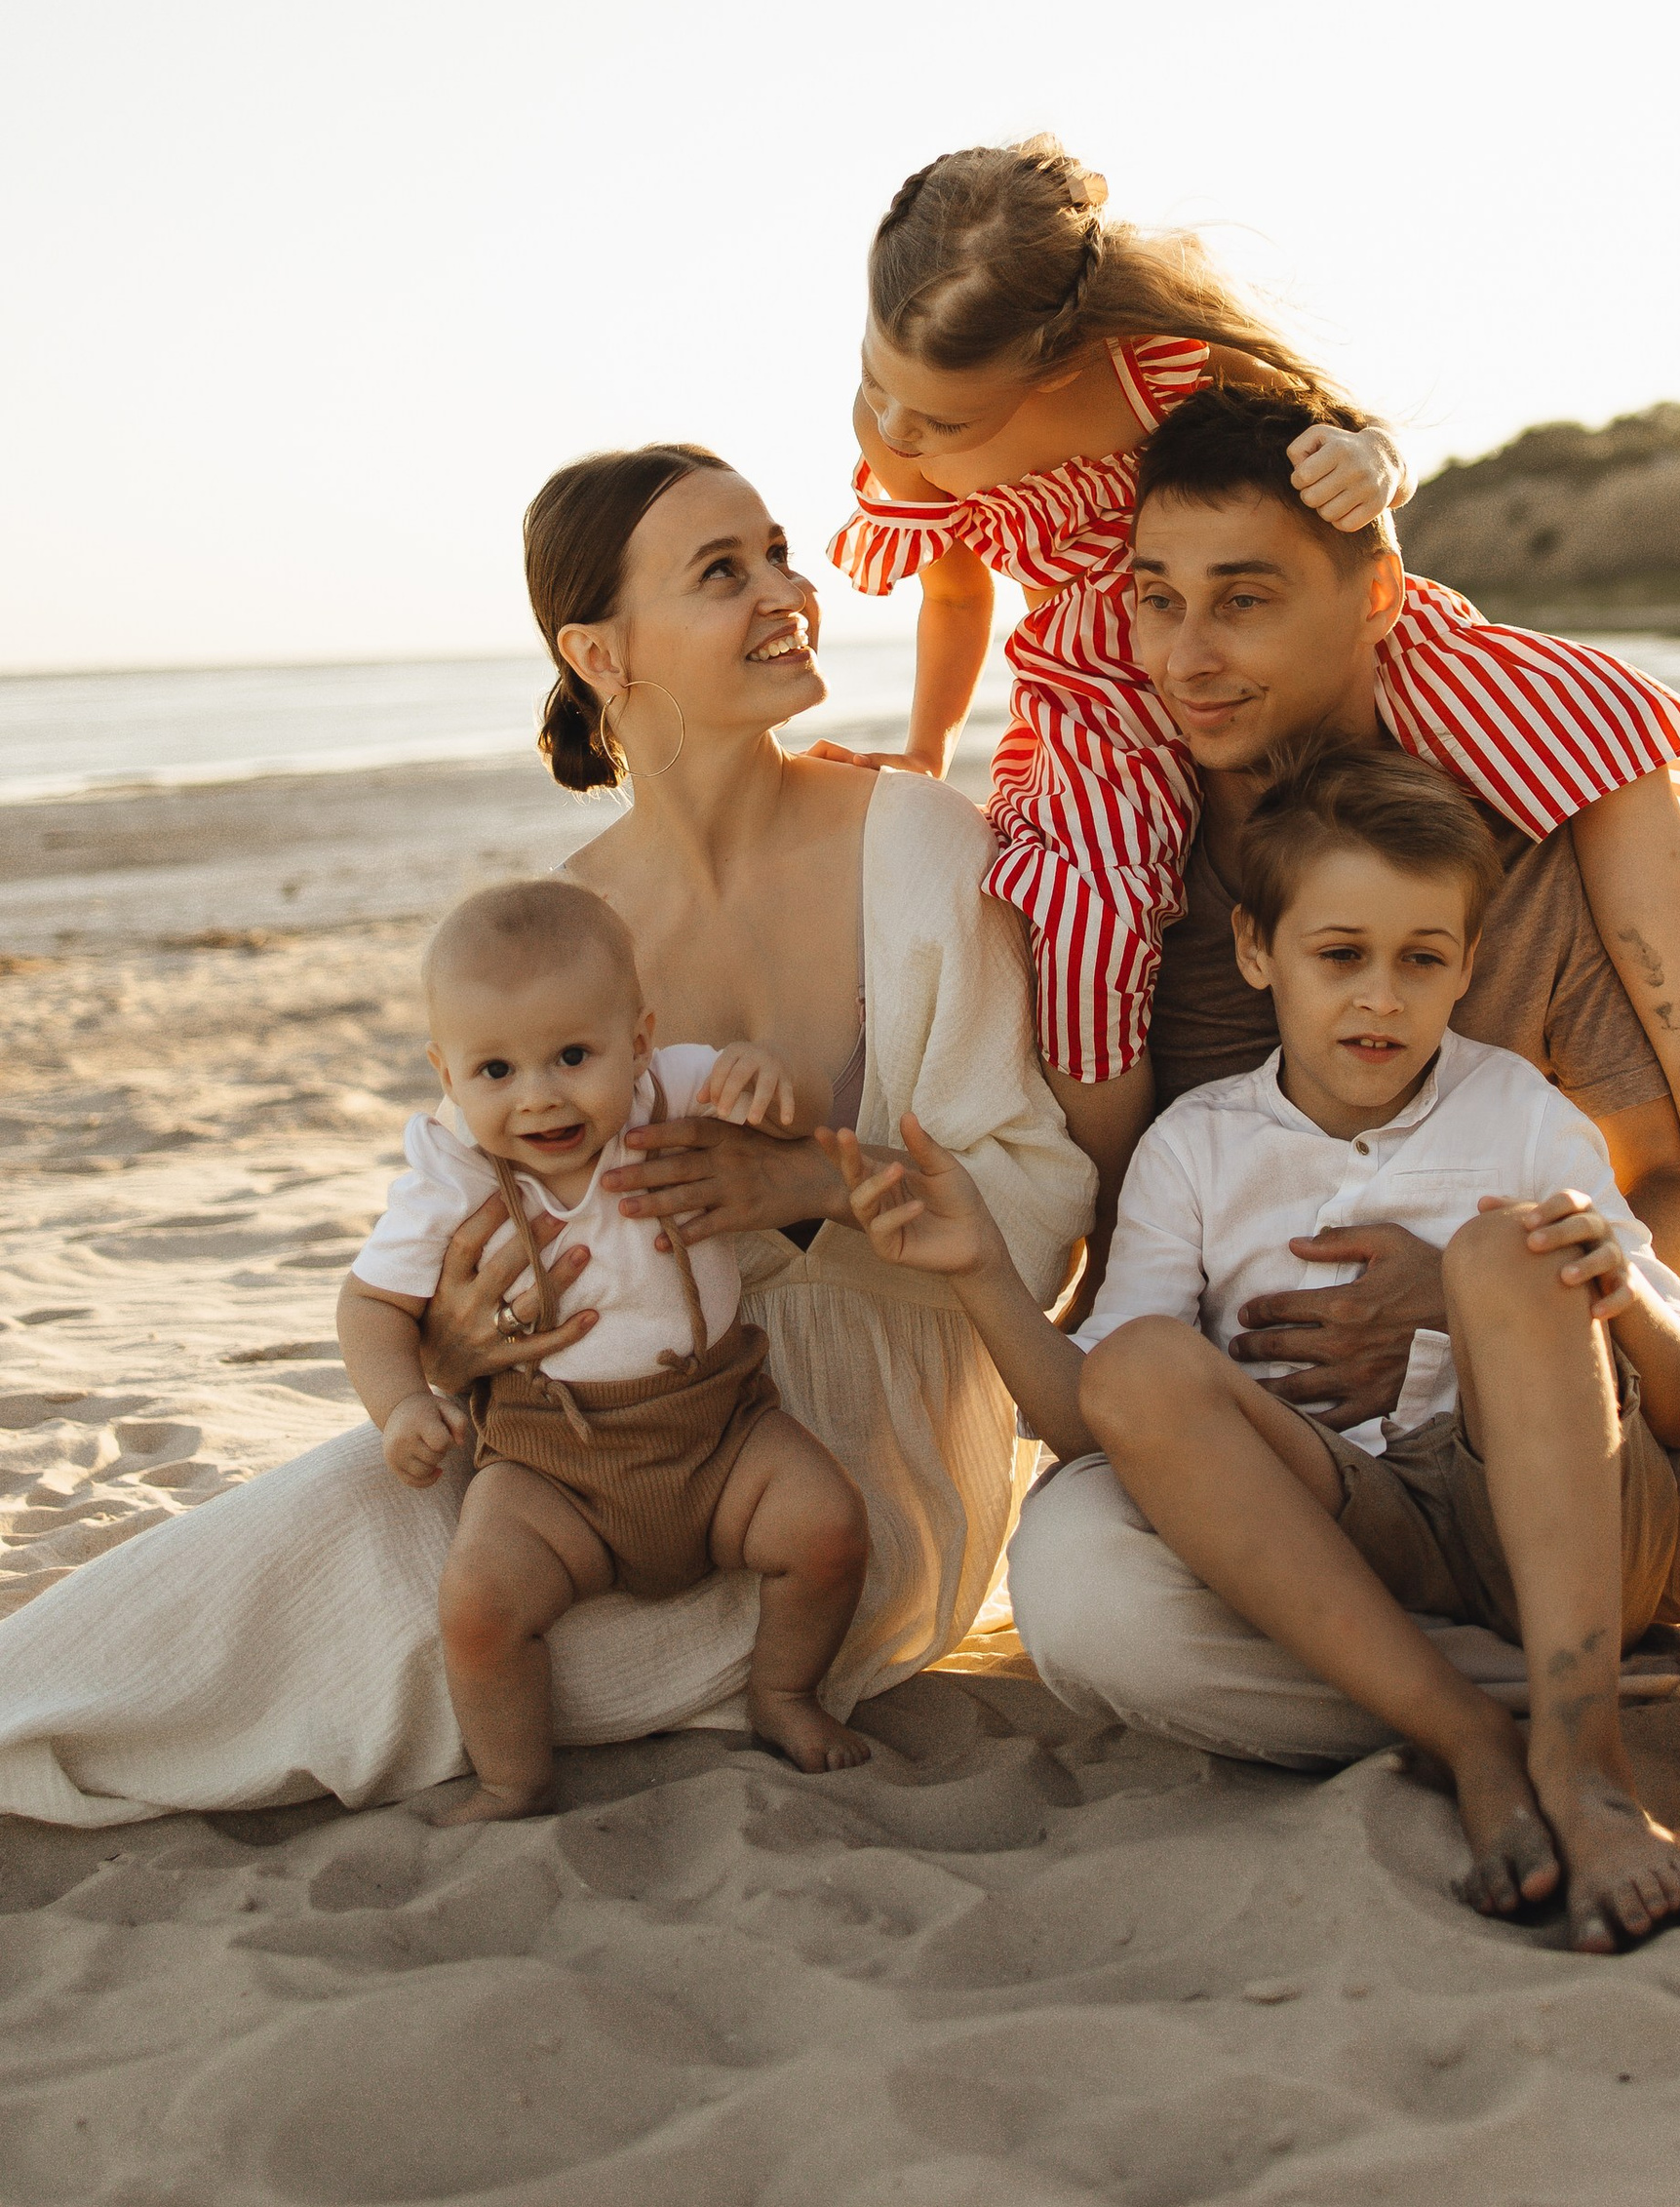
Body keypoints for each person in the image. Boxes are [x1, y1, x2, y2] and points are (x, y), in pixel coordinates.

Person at [1005, 384, 1680, 2007]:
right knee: (1080, 1595)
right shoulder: (1121, 886)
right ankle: (1595, 1690)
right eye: (1158, 604)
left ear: (1375, 601)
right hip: (1336, 1501)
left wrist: (1473, 1285)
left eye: (1244, 600)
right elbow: (1127, 1315)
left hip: (1596, 1435)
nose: (1188, 656)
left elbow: (1674, 1213)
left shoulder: (1519, 849)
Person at [0, 445, 1092, 1829]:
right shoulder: (564, 925)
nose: (788, 592)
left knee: (401, 1653)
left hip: (850, 1466)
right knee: (320, 1533)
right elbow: (473, 1234)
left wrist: (806, 1184)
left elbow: (1040, 1219)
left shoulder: (923, 843)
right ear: (600, 652)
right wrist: (456, 1343)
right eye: (723, 572)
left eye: (777, 552)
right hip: (573, 1432)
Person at [828, 135, 1680, 1224]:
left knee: (1597, 715)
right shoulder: (900, 432)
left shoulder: (1156, 365)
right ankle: (1102, 1226)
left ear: (1058, 359)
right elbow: (953, 594)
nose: (895, 429)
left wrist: (1373, 465)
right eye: (875, 377)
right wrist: (927, 746)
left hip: (1254, 615)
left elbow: (1344, 434)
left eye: (944, 419)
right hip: (1097, 687)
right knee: (1091, 920)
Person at [837, 742, 1680, 1951]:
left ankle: (1584, 1760)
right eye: (1340, 956)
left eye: (1422, 960)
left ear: (1467, 965)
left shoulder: (1519, 1112)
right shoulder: (1197, 1146)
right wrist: (982, 1273)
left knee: (1502, 1253)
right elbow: (1094, 1417)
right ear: (1259, 951)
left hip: (1554, 1513)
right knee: (1141, 1364)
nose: (1382, 998)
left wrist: (1616, 1297)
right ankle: (1467, 1736)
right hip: (1347, 1533)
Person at [341, 878, 868, 1817]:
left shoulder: (672, 1090)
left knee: (828, 1528)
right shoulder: (453, 1171)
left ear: (639, 1039)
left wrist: (773, 1078)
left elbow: (804, 1107)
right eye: (495, 1071)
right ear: (446, 1074)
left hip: (720, 1433)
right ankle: (513, 1775)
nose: (539, 1097)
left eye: (573, 1056)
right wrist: (402, 1405)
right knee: (479, 1605)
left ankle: (785, 1693)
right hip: (552, 1465)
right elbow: (371, 1302)